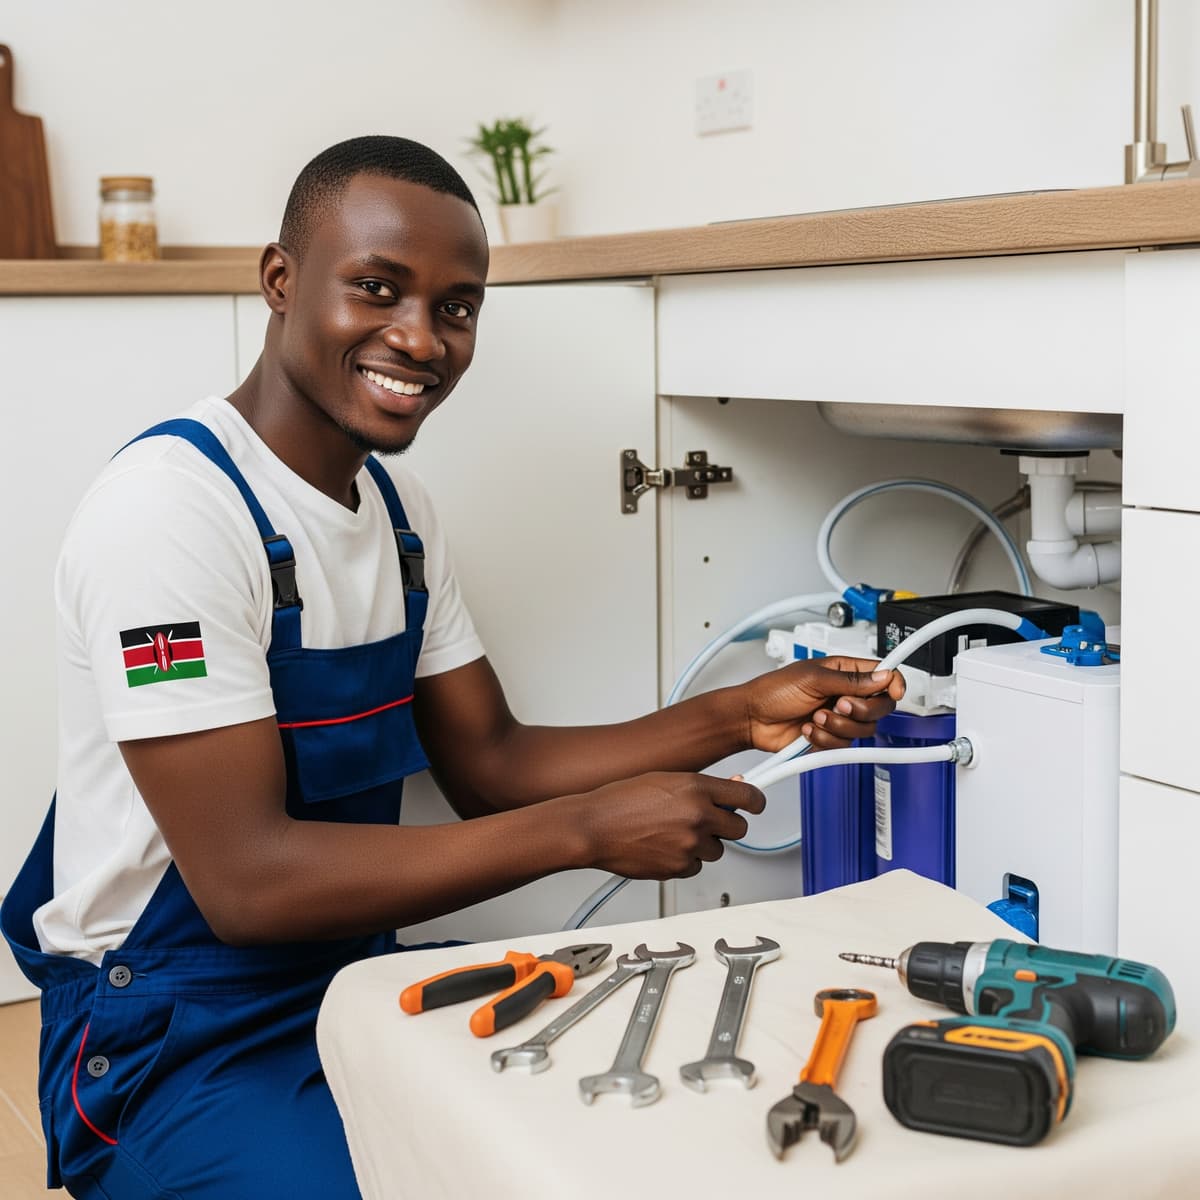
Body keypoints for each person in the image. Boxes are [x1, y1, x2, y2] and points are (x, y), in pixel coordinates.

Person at [1, 136, 904, 1199]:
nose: (421, 338)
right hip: (166, 1031)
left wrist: (740, 713)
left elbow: (491, 762)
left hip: (348, 975)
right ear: (281, 280)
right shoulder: (169, 512)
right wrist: (585, 830)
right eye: (377, 289)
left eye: (458, 307)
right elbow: (246, 882)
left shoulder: (398, 515)